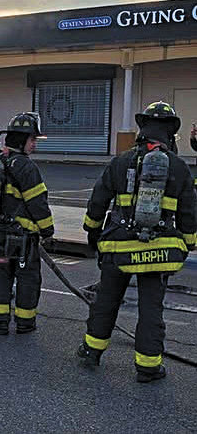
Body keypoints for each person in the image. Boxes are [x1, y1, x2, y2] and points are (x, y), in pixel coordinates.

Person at [78, 101, 197, 382]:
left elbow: (97, 202)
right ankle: (148, 367)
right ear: (170, 133)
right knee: (151, 308)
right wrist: (189, 243)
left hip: (118, 246)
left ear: (143, 129)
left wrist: (92, 233)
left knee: (106, 301)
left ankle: (92, 352)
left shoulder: (120, 161)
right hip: (157, 253)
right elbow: (190, 214)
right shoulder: (180, 168)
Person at [0, 112, 55, 335]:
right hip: (22, 240)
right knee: (28, 279)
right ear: (21, 140)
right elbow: (37, 203)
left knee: (1, 275)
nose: (34, 145)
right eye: (32, 140)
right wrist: (48, 230)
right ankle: (25, 322)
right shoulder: (26, 167)